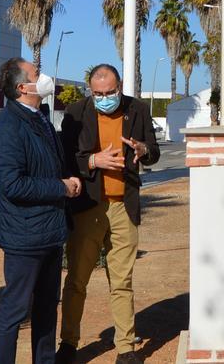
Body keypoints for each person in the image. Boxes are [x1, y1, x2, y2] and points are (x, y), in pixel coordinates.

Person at [56, 64, 161, 364]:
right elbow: (65, 158)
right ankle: (68, 344)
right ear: (90, 90)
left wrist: (143, 150)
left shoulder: (138, 110)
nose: (104, 98)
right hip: (89, 207)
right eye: (97, 93)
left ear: (120, 86)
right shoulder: (75, 112)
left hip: (123, 207)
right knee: (76, 280)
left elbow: (153, 150)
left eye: (110, 92)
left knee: (122, 281)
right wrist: (93, 161)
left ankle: (126, 349)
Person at [0, 57, 82, 364]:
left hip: (50, 232)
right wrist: (61, 187)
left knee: (46, 308)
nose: (44, 77)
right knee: (14, 312)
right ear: (22, 87)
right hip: (24, 236)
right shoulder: (8, 127)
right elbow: (12, 185)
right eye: (37, 74)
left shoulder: (40, 116)